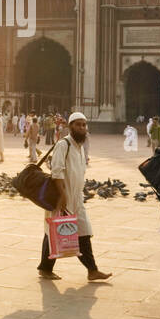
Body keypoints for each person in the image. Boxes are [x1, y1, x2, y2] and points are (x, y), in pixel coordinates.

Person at [37, 112, 111, 282]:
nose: (82, 128)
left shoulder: (79, 147)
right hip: (62, 198)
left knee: (84, 232)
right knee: (53, 232)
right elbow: (56, 171)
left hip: (76, 198)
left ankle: (92, 270)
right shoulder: (64, 145)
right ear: (70, 127)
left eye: (84, 125)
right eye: (78, 125)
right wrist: (62, 195)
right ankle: (45, 268)